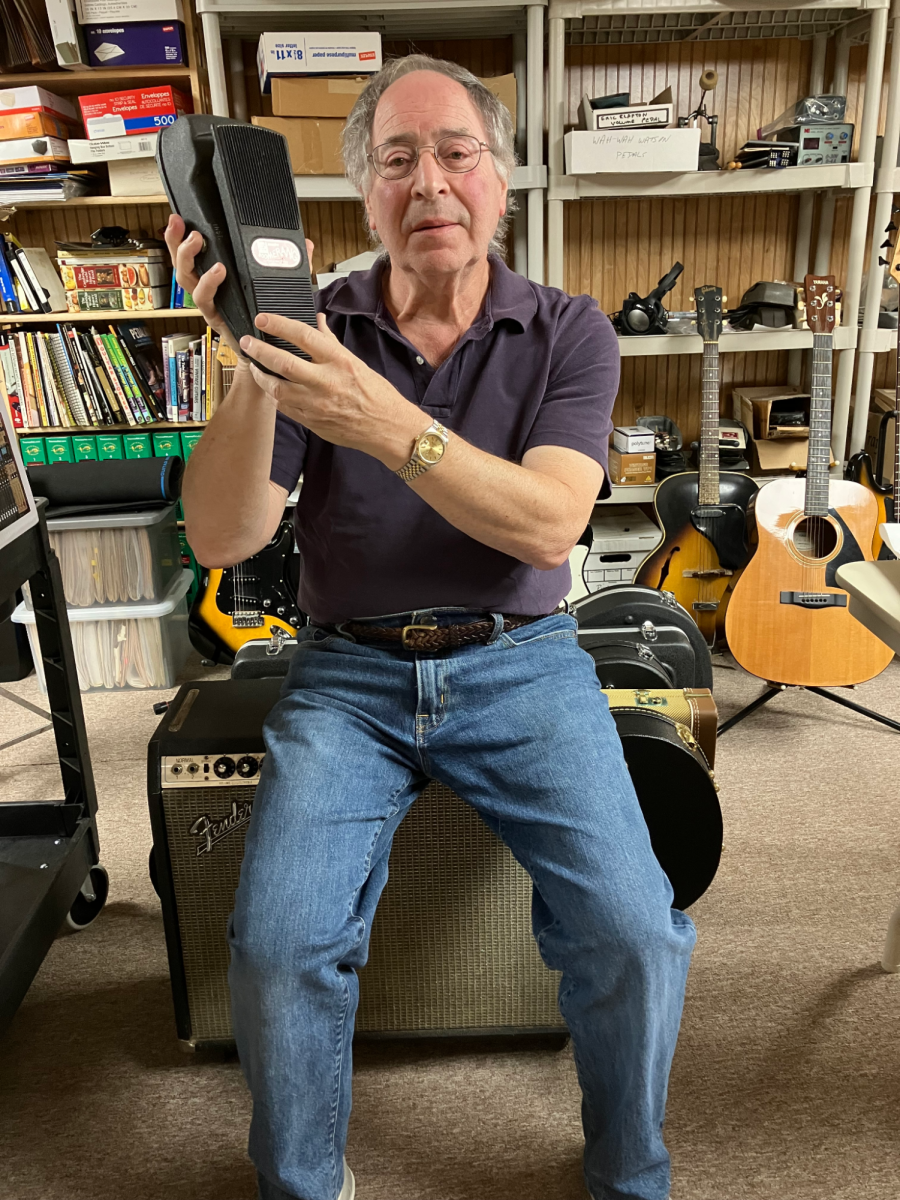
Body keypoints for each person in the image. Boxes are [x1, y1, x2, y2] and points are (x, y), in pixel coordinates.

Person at [165, 54, 696, 1200]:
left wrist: (381, 420)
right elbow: (220, 538)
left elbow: (549, 526)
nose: (431, 182)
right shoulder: (318, 326)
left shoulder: (569, 331)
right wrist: (254, 365)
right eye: (397, 159)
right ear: (365, 196)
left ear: (500, 182)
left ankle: (628, 1174)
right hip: (346, 678)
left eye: (457, 152)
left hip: (523, 663)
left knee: (635, 934)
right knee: (279, 946)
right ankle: (303, 1184)